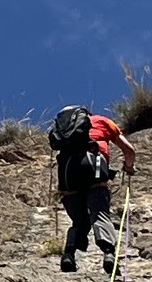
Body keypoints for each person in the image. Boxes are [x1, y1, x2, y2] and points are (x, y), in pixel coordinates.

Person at [48, 104, 138, 272]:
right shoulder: (102, 121)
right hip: (92, 172)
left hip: (68, 175)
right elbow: (129, 151)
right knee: (99, 213)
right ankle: (109, 254)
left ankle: (68, 255)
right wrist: (129, 168)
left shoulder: (63, 133)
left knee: (79, 221)